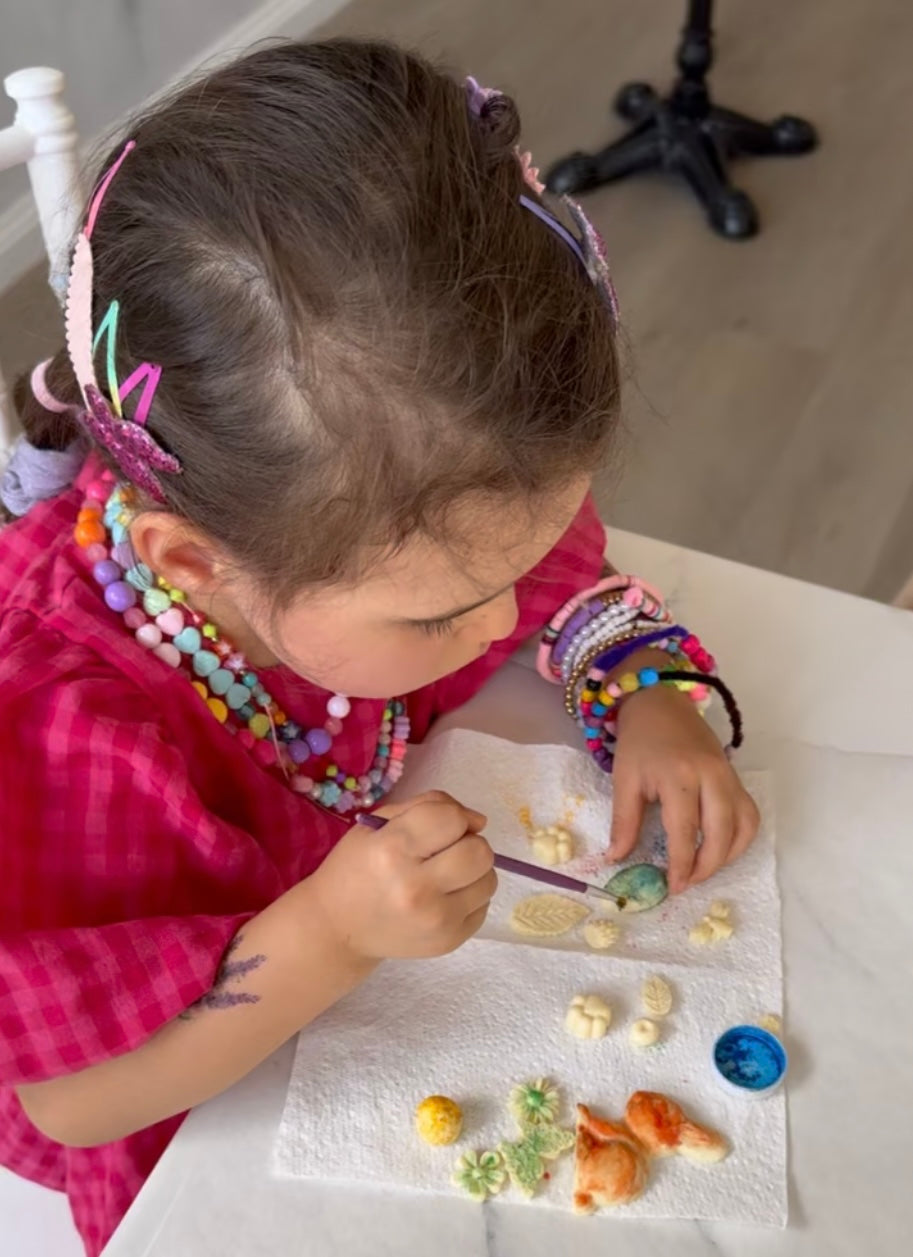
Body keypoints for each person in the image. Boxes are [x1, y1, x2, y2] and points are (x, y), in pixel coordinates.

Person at [0, 39, 758, 1255]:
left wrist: (645, 688)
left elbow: (561, 586)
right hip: (204, 1108)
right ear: (195, 564)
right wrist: (328, 939)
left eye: (522, 561)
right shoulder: (61, 735)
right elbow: (73, 1101)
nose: (505, 622)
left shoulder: (379, 534)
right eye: (441, 614)